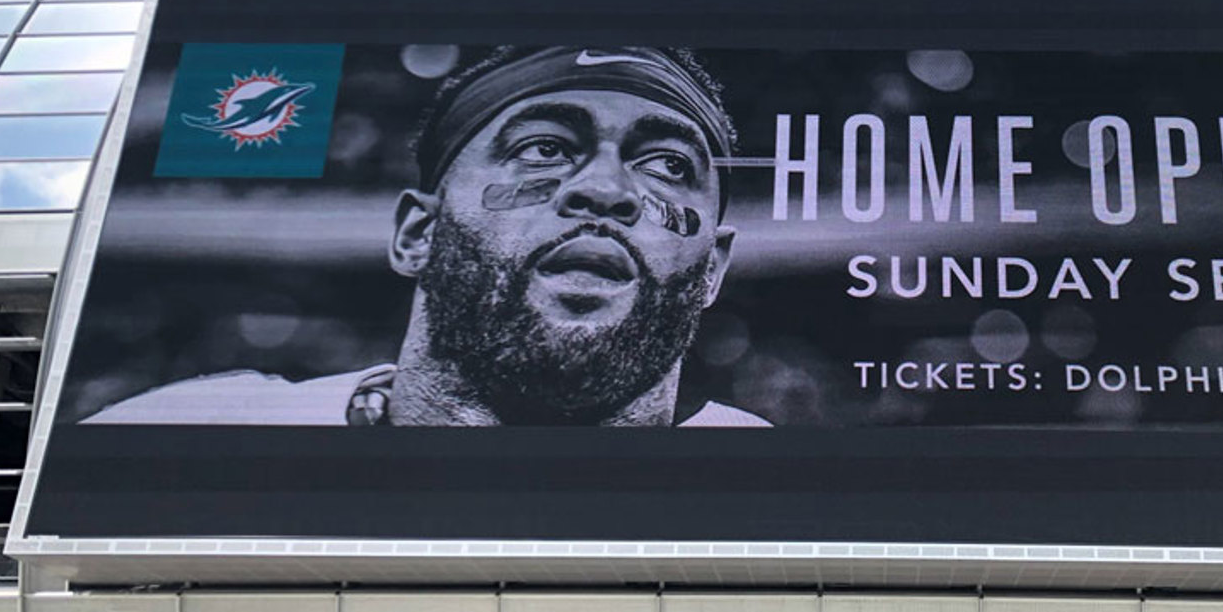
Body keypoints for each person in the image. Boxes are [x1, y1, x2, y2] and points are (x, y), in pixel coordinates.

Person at [88, 46, 766, 428]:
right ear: (419, 231)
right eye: (543, 148)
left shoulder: (769, 493)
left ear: (713, 271)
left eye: (669, 165)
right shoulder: (199, 432)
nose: (607, 191)